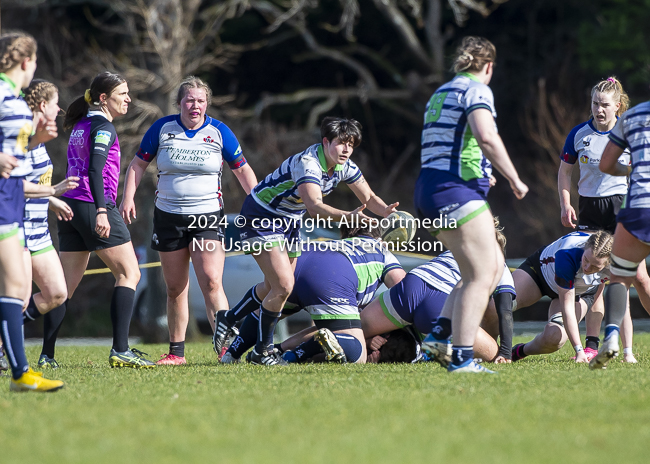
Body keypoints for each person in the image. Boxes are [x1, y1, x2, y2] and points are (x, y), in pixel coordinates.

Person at [214, 117, 398, 366]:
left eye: (351, 145)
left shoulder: (345, 166)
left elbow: (369, 197)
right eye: (341, 143)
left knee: (273, 287)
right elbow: (314, 207)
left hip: (289, 221)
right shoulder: (308, 163)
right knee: (283, 286)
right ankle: (262, 352)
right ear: (325, 142)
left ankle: (229, 317)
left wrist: (386, 211)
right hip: (261, 216)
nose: (346, 150)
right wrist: (349, 216)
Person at [120, 76, 257, 365]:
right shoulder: (162, 128)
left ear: (207, 104)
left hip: (207, 216)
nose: (195, 105)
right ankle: (176, 353)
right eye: (190, 100)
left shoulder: (219, 132)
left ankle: (227, 350)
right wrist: (127, 198)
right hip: (168, 217)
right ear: (180, 102)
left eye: (201, 101)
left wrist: (257, 203)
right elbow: (137, 164)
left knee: (210, 280)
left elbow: (242, 170)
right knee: (175, 287)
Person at [415, 36, 528, 373]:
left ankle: (437, 339)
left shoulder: (441, 92)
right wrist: (513, 177)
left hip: (431, 189)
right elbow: (486, 136)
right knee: (484, 273)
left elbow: (448, 145)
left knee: (480, 269)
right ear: (488, 66)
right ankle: (461, 358)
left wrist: (481, 172)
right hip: (454, 192)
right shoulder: (477, 90)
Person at [53, 71, 154, 368]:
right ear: (103, 98)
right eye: (123, 94)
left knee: (61, 289)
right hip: (92, 204)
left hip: (69, 205)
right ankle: (121, 349)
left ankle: (46, 355)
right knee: (129, 273)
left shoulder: (81, 125)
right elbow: (96, 171)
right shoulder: (103, 128)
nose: (129, 99)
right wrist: (101, 210)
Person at [0, 31, 75, 391]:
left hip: (14, 208)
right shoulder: (6, 98)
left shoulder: (14, 102)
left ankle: (17, 371)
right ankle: (18, 371)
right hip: (6, 207)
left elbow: (16, 161)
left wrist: (52, 195)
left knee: (28, 289)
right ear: (26, 61)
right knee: (14, 287)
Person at [220, 223, 406, 364]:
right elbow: (404, 293)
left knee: (268, 310)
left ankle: (232, 353)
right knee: (358, 354)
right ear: (378, 237)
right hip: (332, 275)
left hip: (302, 260)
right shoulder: (381, 250)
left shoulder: (340, 243)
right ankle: (293, 356)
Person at [558, 77, 648, 363]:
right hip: (590, 211)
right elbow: (564, 172)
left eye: (604, 105)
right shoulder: (579, 134)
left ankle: (628, 351)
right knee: (596, 280)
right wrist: (565, 204)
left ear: (617, 106)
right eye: (595, 103)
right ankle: (593, 346)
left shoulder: (629, 132)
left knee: (638, 278)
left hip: (621, 208)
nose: (598, 109)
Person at [362, 220, 515, 365]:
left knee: (351, 330)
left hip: (412, 284)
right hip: (441, 302)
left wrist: (368, 340)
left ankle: (370, 344)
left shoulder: (456, 249)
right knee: (494, 354)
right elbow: (504, 309)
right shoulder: (498, 263)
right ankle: (433, 347)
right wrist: (506, 352)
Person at [590, 95, 650, 369]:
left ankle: (611, 335)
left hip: (637, 206)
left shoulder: (632, 117)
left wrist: (631, 168)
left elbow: (605, 165)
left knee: (620, 276)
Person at [19, 79, 74, 369]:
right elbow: (15, 184)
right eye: (55, 103)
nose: (59, 109)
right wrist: (53, 191)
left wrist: (52, 200)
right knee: (18, 298)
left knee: (56, 293)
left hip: (40, 230)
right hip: (18, 230)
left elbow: (36, 181)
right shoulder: (21, 135)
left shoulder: (40, 137)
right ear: (42, 105)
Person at [510, 231, 612, 363]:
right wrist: (579, 351)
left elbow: (617, 303)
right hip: (542, 274)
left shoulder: (618, 266)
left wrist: (627, 352)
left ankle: (518, 351)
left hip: (579, 292)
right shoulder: (568, 255)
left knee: (554, 338)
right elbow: (567, 308)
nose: (587, 267)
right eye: (586, 260)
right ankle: (487, 353)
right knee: (494, 307)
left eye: (595, 266)